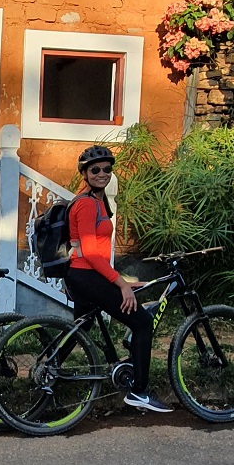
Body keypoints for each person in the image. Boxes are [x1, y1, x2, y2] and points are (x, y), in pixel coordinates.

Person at [65, 145, 172, 413]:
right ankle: (139, 392)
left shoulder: (96, 201)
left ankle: (47, 367)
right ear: (85, 174)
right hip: (86, 275)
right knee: (143, 324)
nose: (102, 173)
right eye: (95, 169)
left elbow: (96, 253)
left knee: (82, 327)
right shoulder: (88, 204)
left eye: (107, 169)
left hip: (85, 275)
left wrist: (118, 279)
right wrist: (121, 284)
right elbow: (90, 252)